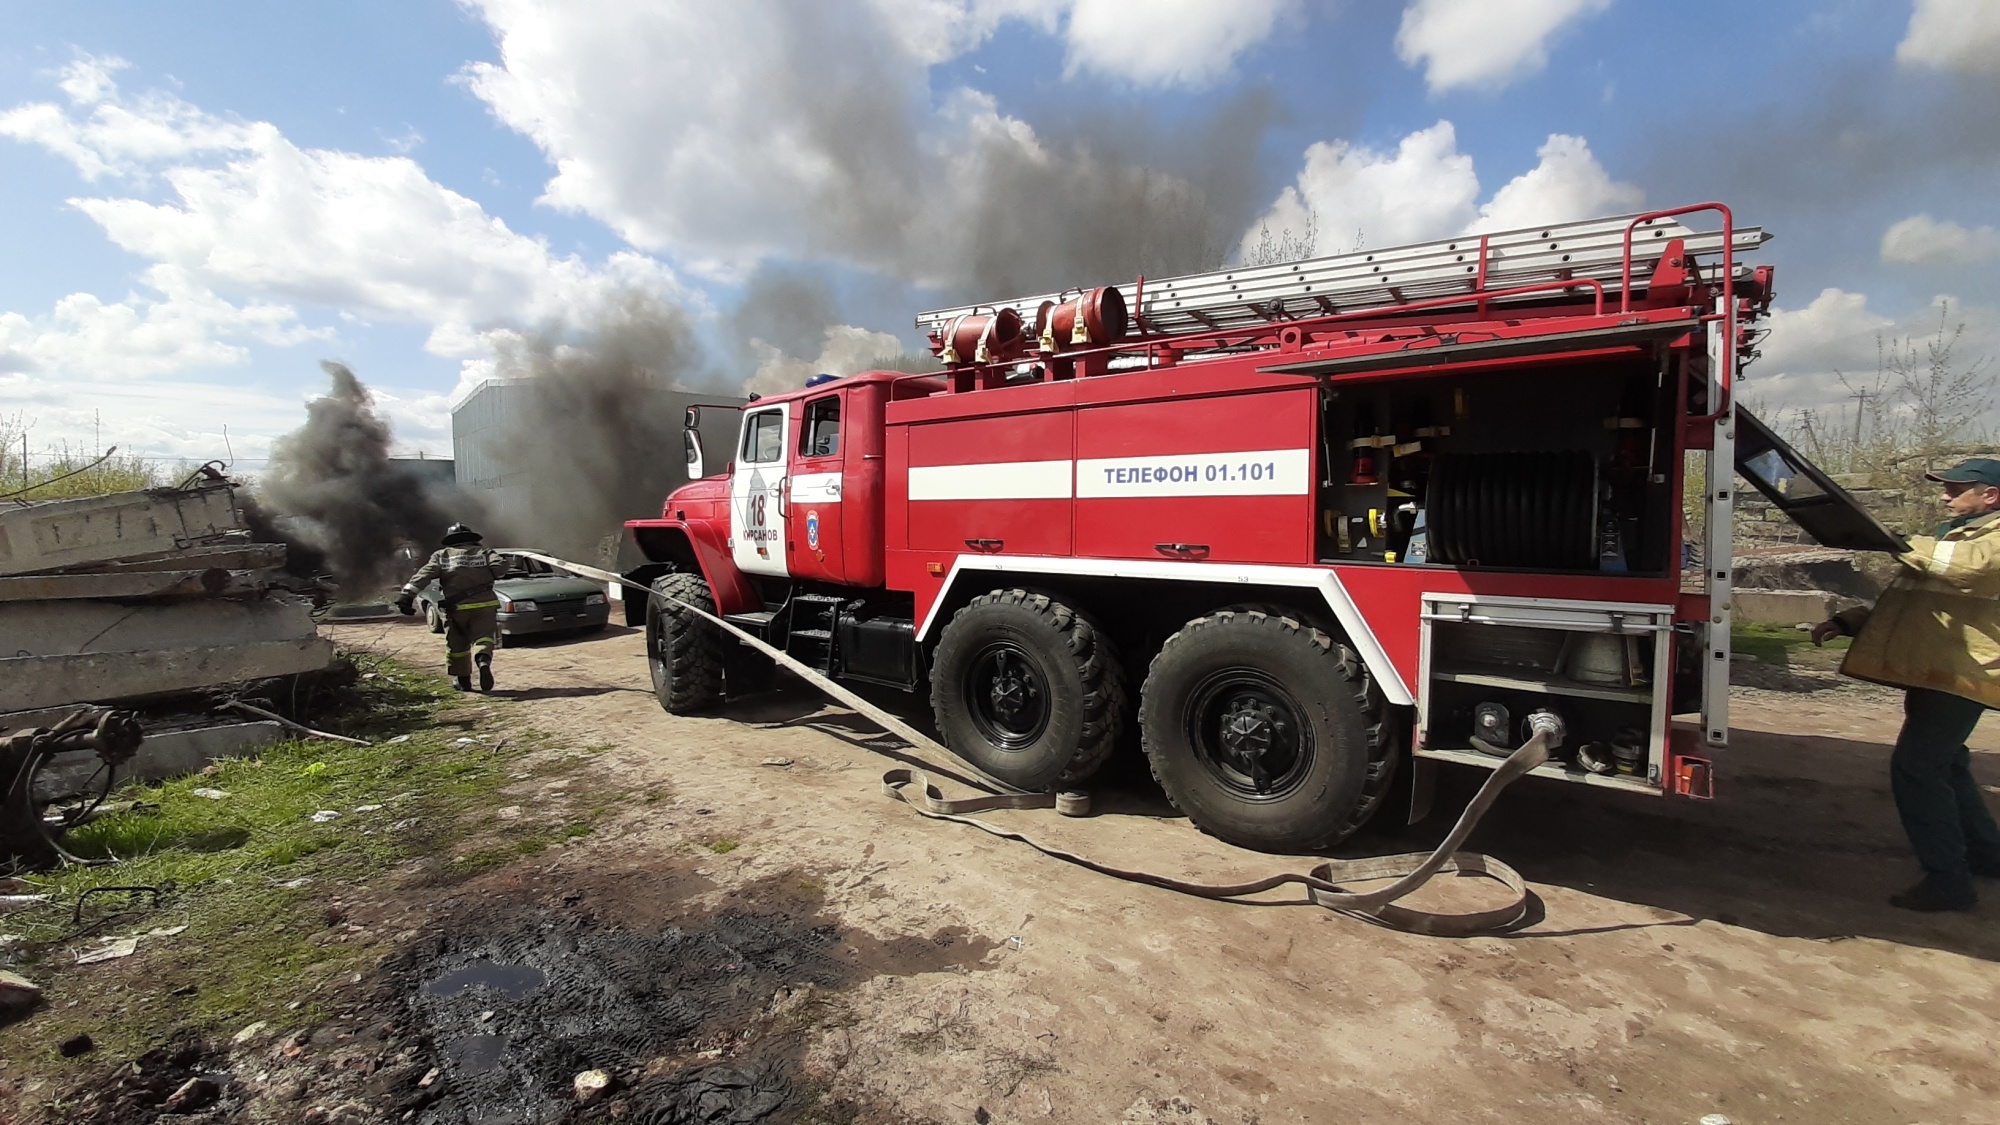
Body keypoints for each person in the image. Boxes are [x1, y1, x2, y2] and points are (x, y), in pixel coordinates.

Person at [1812, 458, 2000, 912]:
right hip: (1942, 669)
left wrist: (1885, 537)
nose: (1944, 496)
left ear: (1990, 494)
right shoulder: (1958, 537)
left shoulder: (1982, 543)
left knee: (1916, 768)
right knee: (1946, 763)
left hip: (1964, 672)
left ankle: (1948, 880)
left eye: (1956, 489)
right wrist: (1849, 621)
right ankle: (1988, 856)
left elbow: (1963, 572)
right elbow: (1912, 601)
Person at [397, 524, 508, 692]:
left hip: (456, 609)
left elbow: (424, 575)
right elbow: (500, 569)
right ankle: (483, 661)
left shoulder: (442, 555)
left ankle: (463, 681)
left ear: (450, 540)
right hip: (485, 605)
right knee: (484, 638)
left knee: (458, 645)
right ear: (472, 538)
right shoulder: (484, 552)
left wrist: (407, 596)